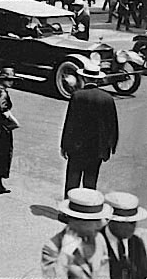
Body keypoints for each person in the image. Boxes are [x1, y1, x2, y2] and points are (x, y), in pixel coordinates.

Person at [61, 63, 119, 198]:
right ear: (98, 80)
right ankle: (87, 212)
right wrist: (111, 146)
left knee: (72, 181)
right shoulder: (107, 98)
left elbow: (70, 123)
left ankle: (68, 211)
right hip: (97, 148)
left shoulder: (77, 96)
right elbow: (113, 124)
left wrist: (64, 145)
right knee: (90, 182)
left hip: (77, 147)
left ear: (84, 78)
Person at [41, 188, 112, 278]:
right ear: (76, 221)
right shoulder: (52, 247)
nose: (100, 224)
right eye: (95, 220)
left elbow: (104, 273)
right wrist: (65, 253)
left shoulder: (99, 239)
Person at [102, 192, 147, 278]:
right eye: (125, 222)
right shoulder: (96, 241)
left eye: (133, 222)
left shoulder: (136, 243)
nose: (132, 227)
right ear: (110, 220)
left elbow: (143, 274)